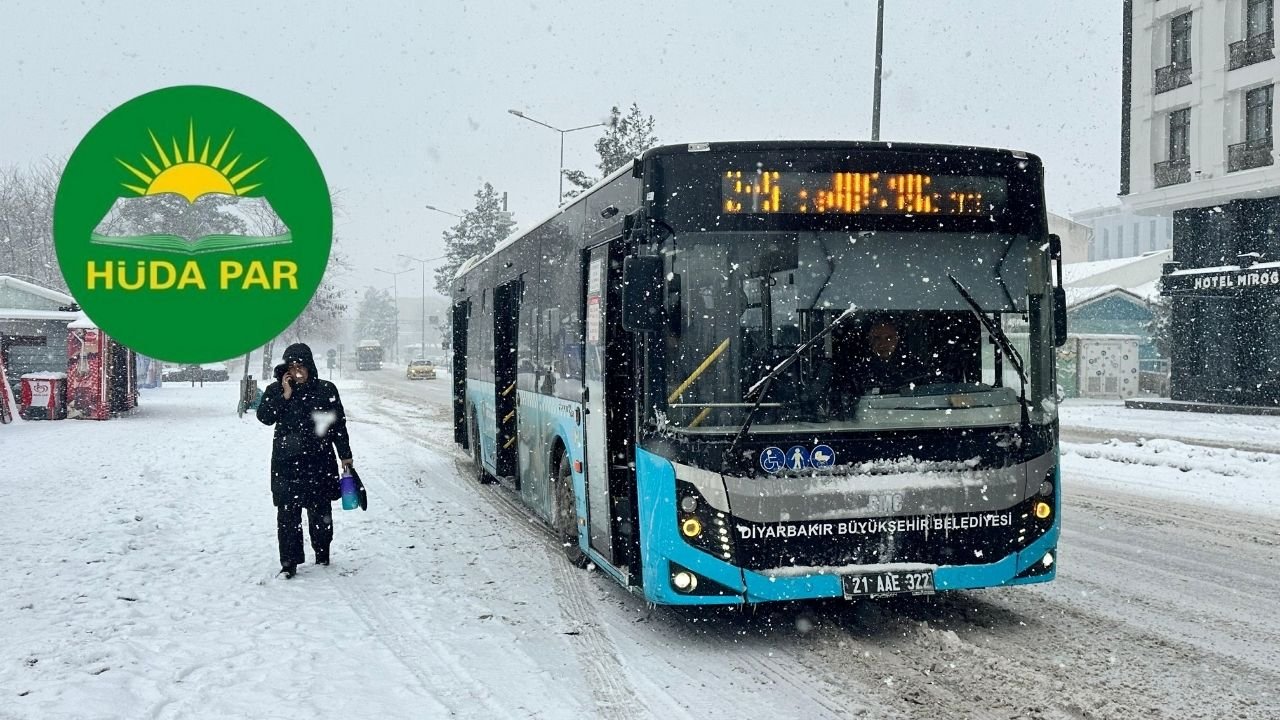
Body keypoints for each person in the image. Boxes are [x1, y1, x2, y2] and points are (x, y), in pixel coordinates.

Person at [256, 343, 353, 578]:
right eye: (292, 366)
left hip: (318, 461)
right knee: (287, 514)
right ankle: (289, 562)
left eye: (301, 366)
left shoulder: (325, 389)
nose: (297, 371)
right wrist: (284, 395)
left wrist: (345, 456)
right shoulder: (276, 390)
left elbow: (338, 425)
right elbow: (264, 417)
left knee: (320, 511)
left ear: (309, 366)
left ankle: (322, 552)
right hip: (286, 464)